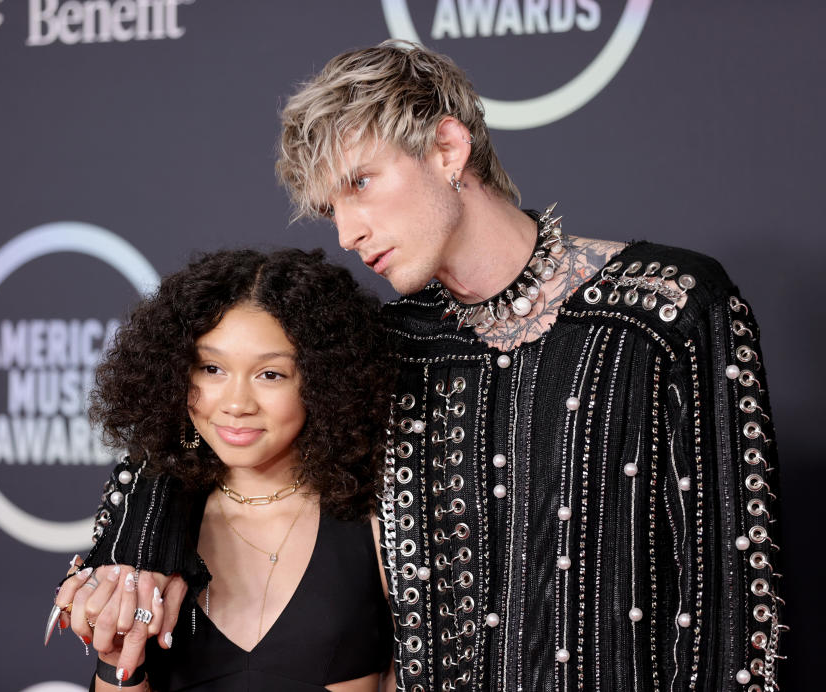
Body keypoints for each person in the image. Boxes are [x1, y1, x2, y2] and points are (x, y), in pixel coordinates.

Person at [56, 42, 786, 691]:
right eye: (330, 208)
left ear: (446, 148)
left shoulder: (661, 310)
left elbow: (739, 591)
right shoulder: (384, 349)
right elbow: (218, 419)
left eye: (361, 183)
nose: (347, 232)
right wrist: (137, 550)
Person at [49, 248, 396, 690]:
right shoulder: (150, 523)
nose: (235, 404)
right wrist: (118, 657)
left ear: (325, 380)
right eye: (212, 368)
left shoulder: (381, 519)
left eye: (270, 375)